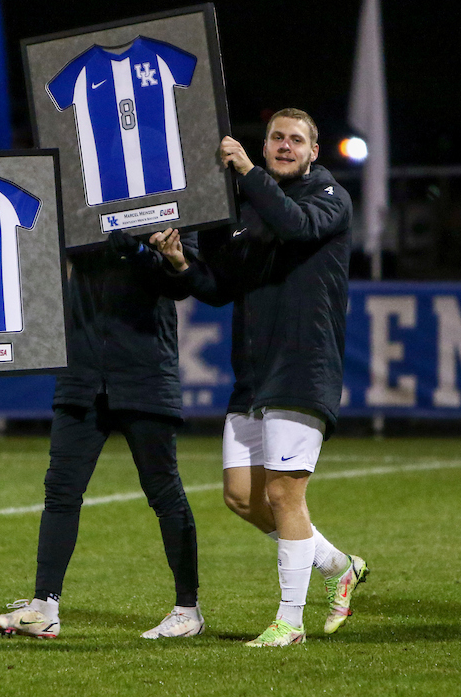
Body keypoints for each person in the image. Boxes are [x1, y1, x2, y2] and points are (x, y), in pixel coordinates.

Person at [149, 108, 366, 647]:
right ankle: (339, 566)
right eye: (276, 138)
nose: (285, 146)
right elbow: (220, 286)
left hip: (302, 365)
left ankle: (289, 623)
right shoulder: (249, 209)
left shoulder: (329, 197)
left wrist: (247, 170)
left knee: (286, 497)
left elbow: (297, 225)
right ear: (265, 144)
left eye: (297, 140)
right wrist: (180, 263)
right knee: (242, 497)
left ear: (314, 151)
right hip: (253, 372)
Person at [0, 230, 204, 639]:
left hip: (143, 372)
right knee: (61, 489)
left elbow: (183, 280)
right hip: (82, 371)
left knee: (163, 490)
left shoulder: (172, 199)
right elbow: (46, 234)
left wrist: (140, 251)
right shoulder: (79, 197)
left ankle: (187, 608)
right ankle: (44, 606)